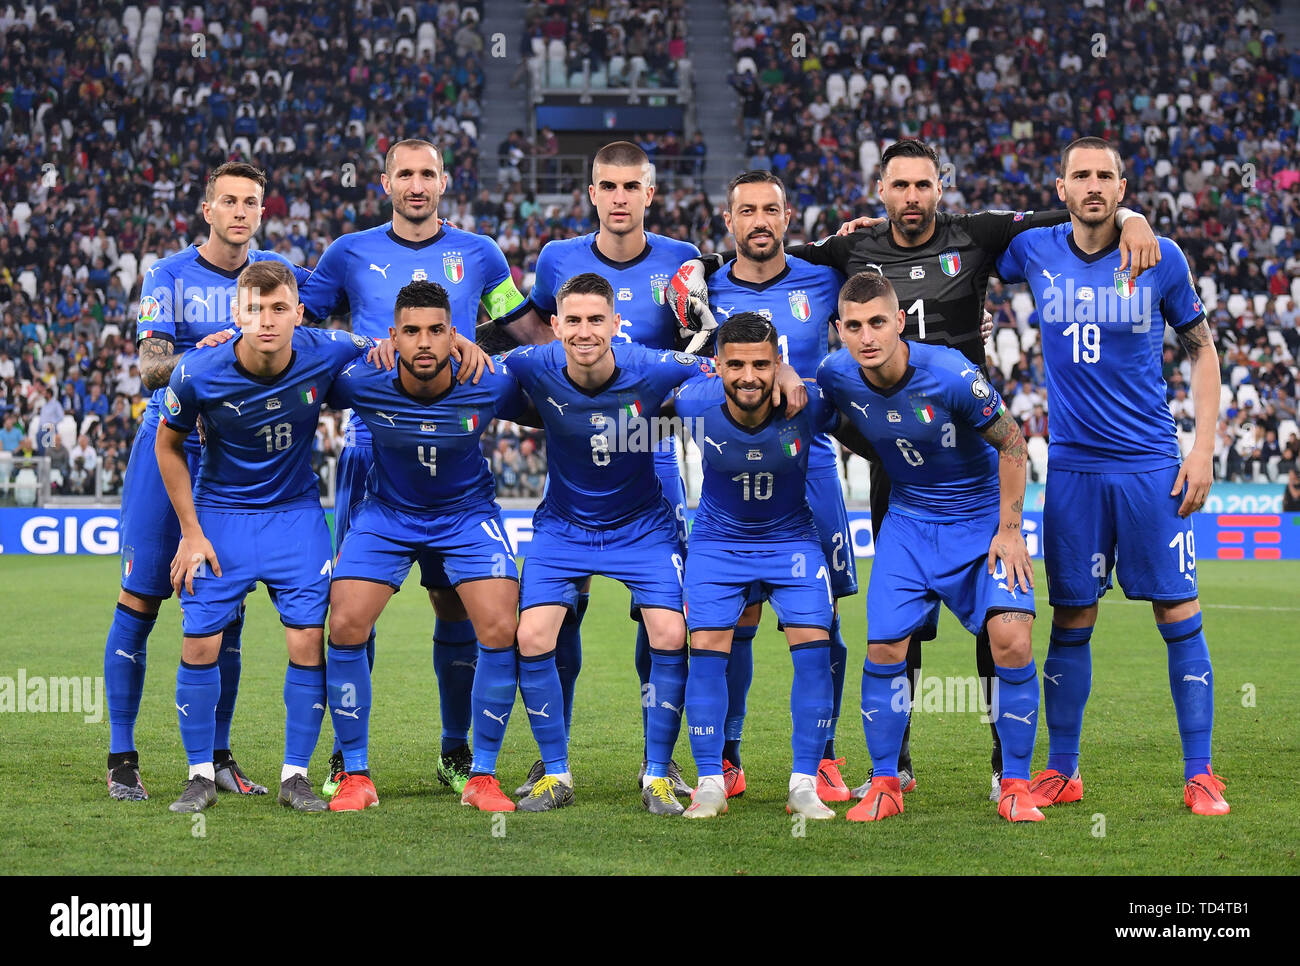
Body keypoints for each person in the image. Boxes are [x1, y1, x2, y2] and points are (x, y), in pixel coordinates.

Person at [673, 136, 1160, 800]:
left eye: (922, 186)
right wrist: (702, 263)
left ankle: (1001, 763)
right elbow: (768, 254)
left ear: (940, 188)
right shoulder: (850, 251)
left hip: (971, 456)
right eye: (898, 186)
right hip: (894, 463)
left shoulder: (977, 235)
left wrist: (1132, 218)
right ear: (881, 192)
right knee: (896, 624)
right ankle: (892, 765)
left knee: (1000, 626)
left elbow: (1068, 218)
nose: (911, 197)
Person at [995, 137, 1229, 816]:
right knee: (1072, 616)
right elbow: (966, 248)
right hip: (1071, 469)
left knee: (1177, 611)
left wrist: (1202, 448)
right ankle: (1063, 771)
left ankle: (1201, 773)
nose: (1093, 185)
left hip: (1151, 466)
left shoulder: (1161, 256)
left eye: (1105, 176)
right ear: (1060, 187)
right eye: (1080, 176)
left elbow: (1203, 351)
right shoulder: (1034, 249)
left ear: (1123, 187)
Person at [299, 139, 530, 798]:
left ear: (445, 181)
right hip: (373, 448)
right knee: (351, 609)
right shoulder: (347, 250)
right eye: (406, 174)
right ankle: (349, 760)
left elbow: (520, 328)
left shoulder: (482, 253)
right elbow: (299, 329)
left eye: (428, 173)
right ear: (385, 183)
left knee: (454, 603)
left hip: (453, 438)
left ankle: (459, 751)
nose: (417, 184)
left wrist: (584, 358)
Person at [500, 273, 762, 814]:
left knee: (669, 632)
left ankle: (658, 775)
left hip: (642, 527)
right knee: (530, 635)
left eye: (597, 319)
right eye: (573, 320)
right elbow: (477, 359)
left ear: (616, 325)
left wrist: (779, 372)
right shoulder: (532, 362)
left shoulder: (655, 364)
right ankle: (555, 773)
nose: (584, 330)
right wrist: (458, 342)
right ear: (555, 325)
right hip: (564, 526)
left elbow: (722, 370)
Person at [498, 141, 703, 798]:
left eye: (630, 187)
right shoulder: (558, 258)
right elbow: (529, 333)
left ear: (650, 194)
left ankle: (660, 755)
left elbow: (714, 345)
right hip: (573, 464)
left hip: (654, 461)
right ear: (592, 192)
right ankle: (552, 757)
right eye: (606, 186)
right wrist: (565, 409)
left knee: (661, 621)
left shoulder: (683, 261)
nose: (618, 198)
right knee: (561, 619)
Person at [103, 161, 307, 802]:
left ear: (262, 212)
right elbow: (149, 367)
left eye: (252, 201)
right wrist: (210, 350)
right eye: (230, 201)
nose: (241, 211)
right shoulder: (168, 273)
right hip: (168, 449)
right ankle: (122, 755)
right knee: (140, 599)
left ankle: (217, 756)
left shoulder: (273, 274)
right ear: (208, 210)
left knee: (228, 612)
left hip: (235, 462)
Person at [818, 271, 1043, 823]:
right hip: (909, 523)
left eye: (877, 323)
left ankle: (1014, 783)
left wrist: (1009, 531)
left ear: (899, 322)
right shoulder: (835, 373)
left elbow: (1013, 443)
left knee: (1011, 639)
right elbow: (836, 419)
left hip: (980, 521)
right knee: (886, 649)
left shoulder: (951, 374)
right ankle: (887, 782)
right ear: (839, 331)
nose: (867, 336)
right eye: (854, 326)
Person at [156, 260, 373, 813]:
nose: (268, 320)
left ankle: (294, 775)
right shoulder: (198, 370)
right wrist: (189, 531)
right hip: (221, 516)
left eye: (279, 308)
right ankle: (200, 773)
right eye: (255, 309)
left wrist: (463, 347)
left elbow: (385, 346)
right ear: (236, 314)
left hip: (295, 516)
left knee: (305, 641)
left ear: (299, 313)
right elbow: (168, 444)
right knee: (199, 642)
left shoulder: (327, 349)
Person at [676, 169, 858, 803]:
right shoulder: (704, 289)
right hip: (734, 466)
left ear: (788, 219)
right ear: (729, 221)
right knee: (737, 620)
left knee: (824, 620)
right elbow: (687, 368)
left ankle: (825, 759)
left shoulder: (824, 277)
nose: (759, 220)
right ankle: (727, 756)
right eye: (745, 209)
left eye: (770, 210)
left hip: (810, 465)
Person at [320, 281, 535, 813]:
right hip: (387, 514)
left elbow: (557, 384)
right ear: (391, 336)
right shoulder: (364, 377)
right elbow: (294, 358)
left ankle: (480, 773)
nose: (423, 343)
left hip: (465, 515)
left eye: (435, 331)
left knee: (500, 627)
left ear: (453, 335)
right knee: (345, 624)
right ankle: (355, 772)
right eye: (410, 331)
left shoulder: (487, 378)